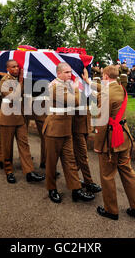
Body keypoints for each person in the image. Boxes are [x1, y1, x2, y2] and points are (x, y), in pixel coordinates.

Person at [82, 66, 135, 220]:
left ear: (104, 75)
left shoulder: (106, 94)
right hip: (124, 137)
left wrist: (97, 146)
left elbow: (101, 122)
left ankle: (111, 210)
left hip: (111, 140)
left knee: (107, 175)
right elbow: (104, 89)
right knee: (127, 172)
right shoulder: (119, 88)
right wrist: (87, 81)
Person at [43, 62, 95, 204]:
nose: (69, 75)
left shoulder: (65, 85)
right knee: (52, 162)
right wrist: (76, 89)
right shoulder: (55, 86)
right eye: (66, 72)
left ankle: (76, 189)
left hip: (66, 129)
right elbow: (74, 102)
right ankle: (51, 189)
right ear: (58, 73)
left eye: (70, 72)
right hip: (54, 129)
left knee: (70, 161)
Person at [0, 60, 45, 184]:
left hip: (20, 117)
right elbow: (12, 96)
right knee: (7, 146)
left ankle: (29, 172)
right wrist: (20, 83)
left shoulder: (21, 79)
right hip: (7, 118)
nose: (16, 68)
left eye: (17, 66)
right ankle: (9, 171)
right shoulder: (4, 80)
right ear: (8, 68)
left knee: (24, 145)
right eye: (13, 67)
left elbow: (26, 95)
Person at [72, 92, 102, 194]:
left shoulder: (88, 87)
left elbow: (97, 101)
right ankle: (89, 182)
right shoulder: (73, 87)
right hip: (76, 127)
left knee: (79, 157)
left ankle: (73, 178)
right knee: (83, 155)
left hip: (86, 126)